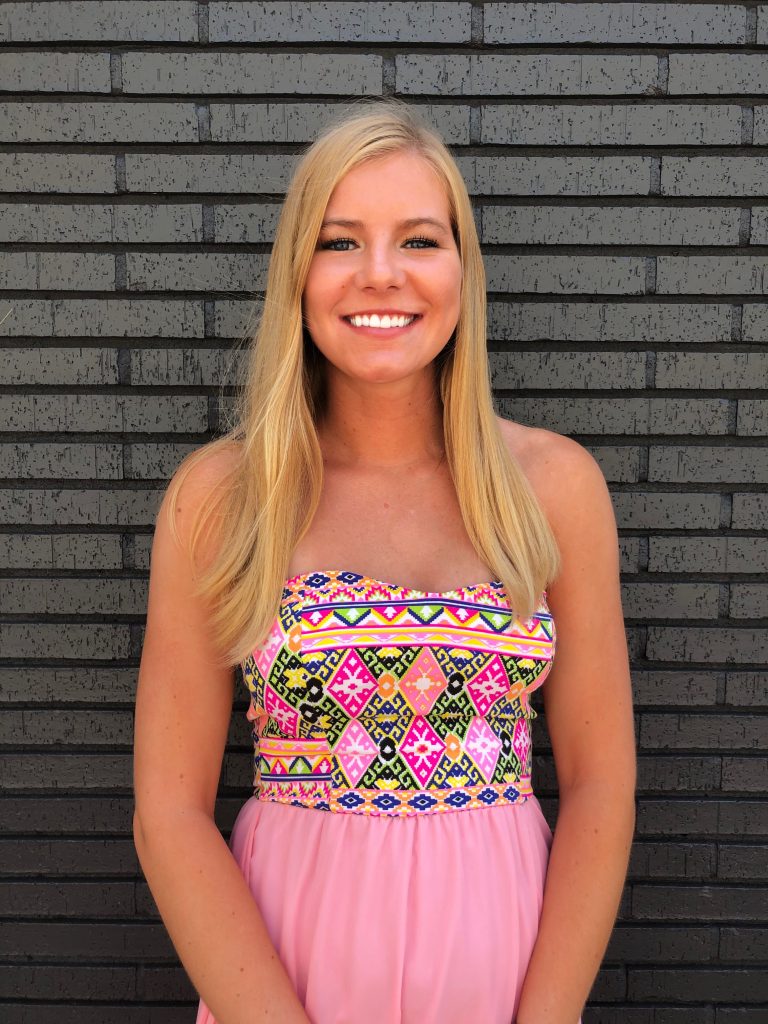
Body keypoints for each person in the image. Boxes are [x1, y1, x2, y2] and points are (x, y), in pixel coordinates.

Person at [132, 97, 636, 1024]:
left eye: (417, 240)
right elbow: (167, 812)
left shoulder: (554, 487)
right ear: (298, 272)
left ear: (461, 268)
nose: (379, 276)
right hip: (284, 979)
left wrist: (551, 1016)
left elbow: (603, 780)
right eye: (339, 242)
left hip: (502, 981)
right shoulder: (222, 496)